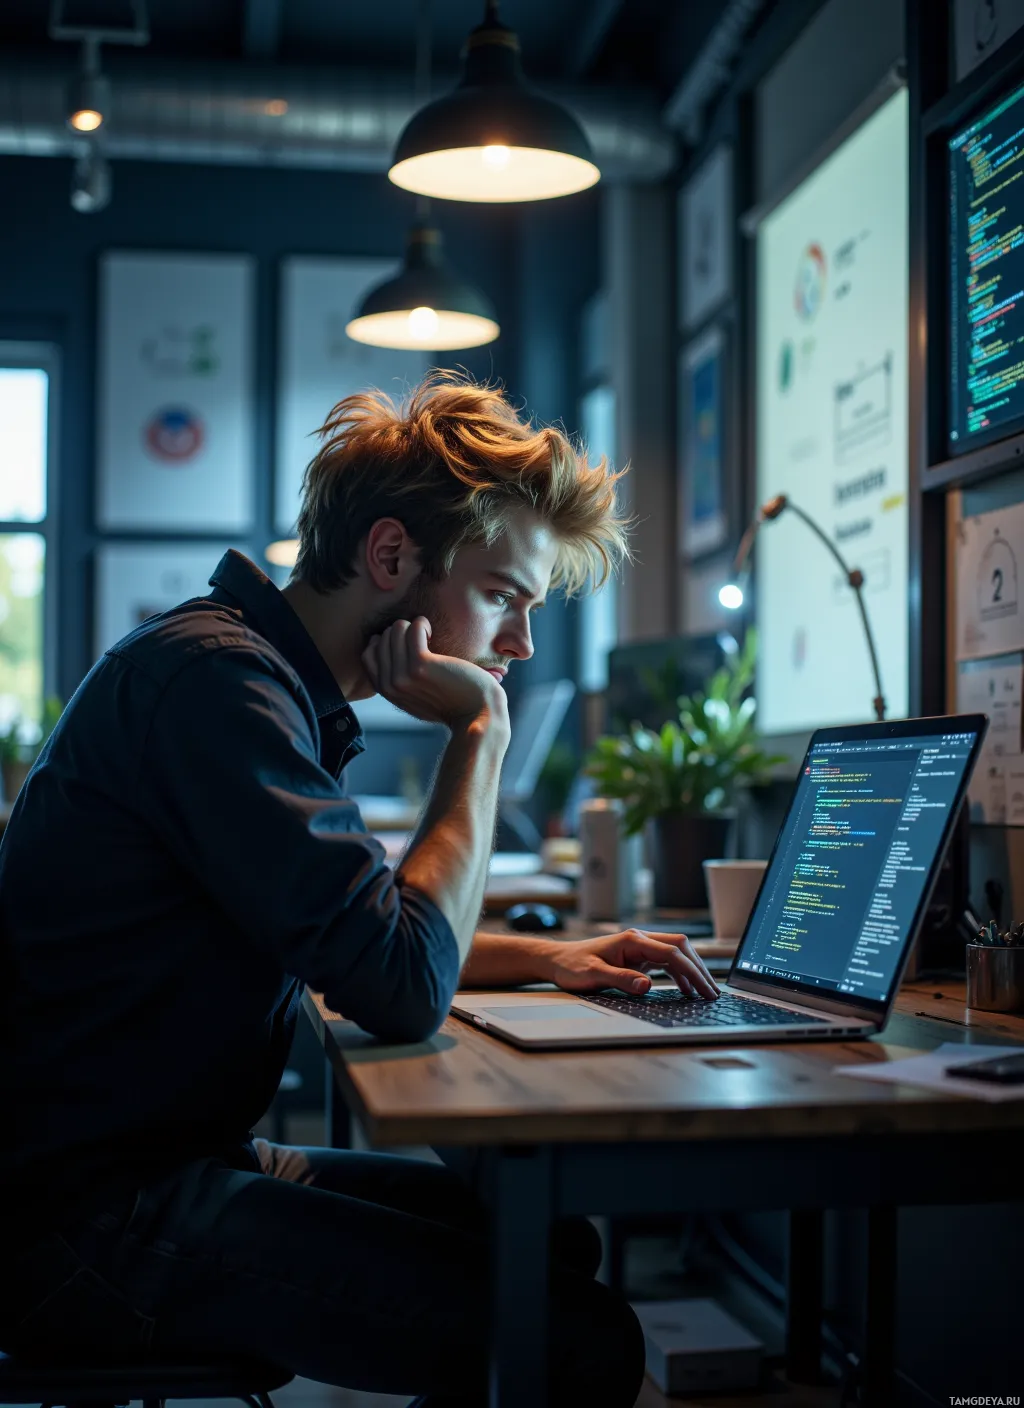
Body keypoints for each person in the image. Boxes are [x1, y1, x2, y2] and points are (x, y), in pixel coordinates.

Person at [0, 373, 719, 1406]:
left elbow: (353, 930)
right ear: (391, 557)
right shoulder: (220, 688)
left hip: (147, 1165)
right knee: (579, 1340)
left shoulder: (240, 672)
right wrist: (480, 737)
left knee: (545, 1240)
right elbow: (396, 982)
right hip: (89, 1221)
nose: (515, 644)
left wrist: (546, 955)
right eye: (502, 596)